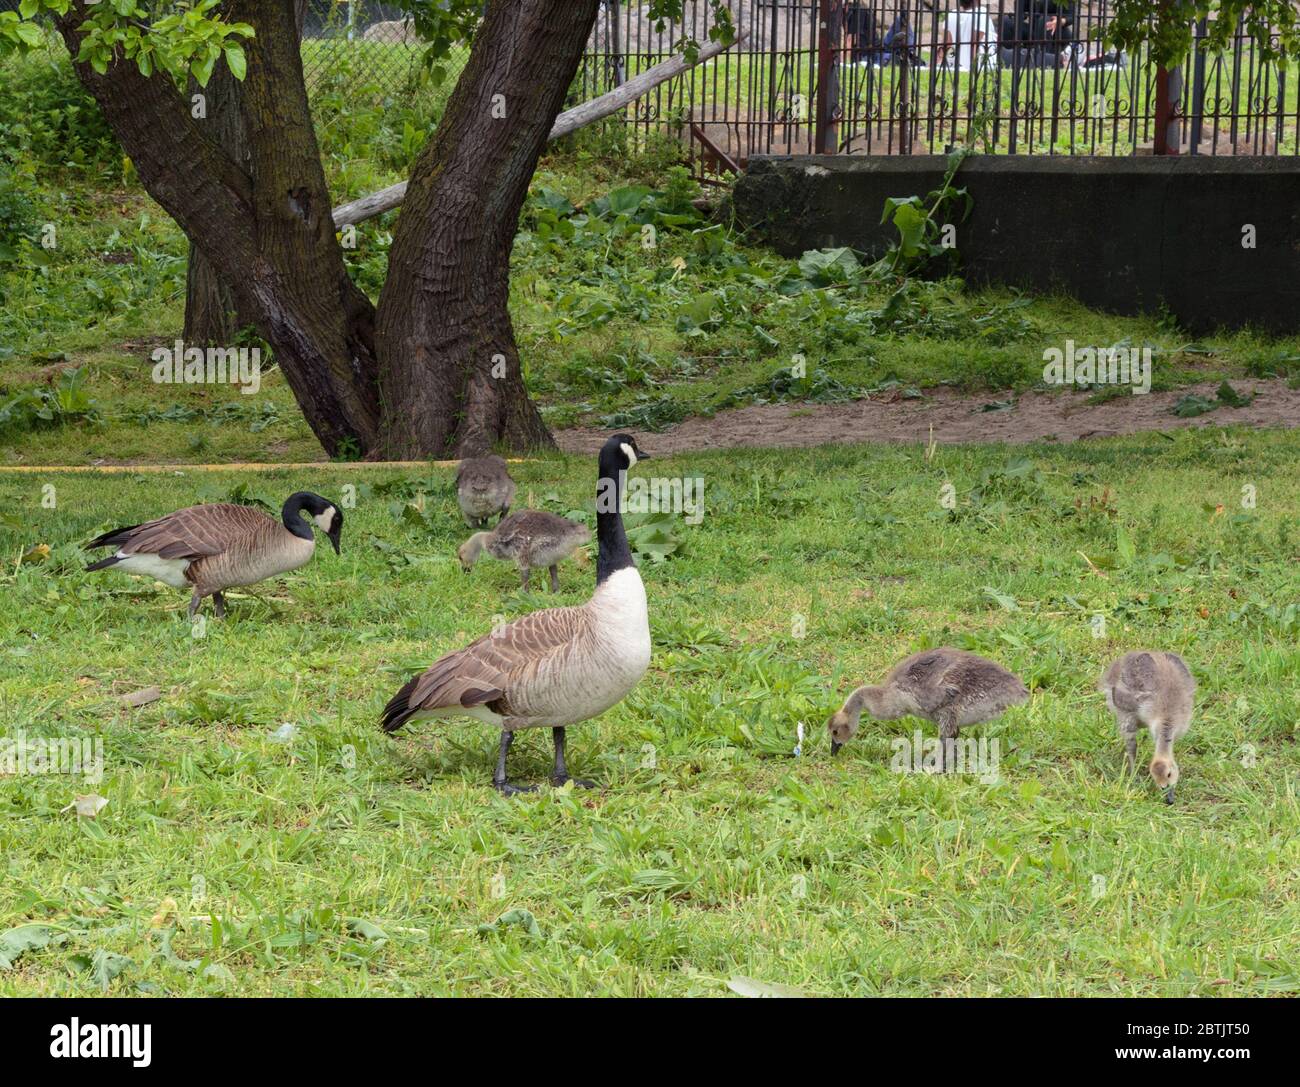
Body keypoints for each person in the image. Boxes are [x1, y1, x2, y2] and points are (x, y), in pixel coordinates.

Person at [938, 0, 997, 72]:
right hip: (983, 65)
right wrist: (972, 68)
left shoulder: (952, 15)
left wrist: (937, 63)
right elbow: (974, 43)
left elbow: (947, 44)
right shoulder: (981, 12)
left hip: (958, 64)